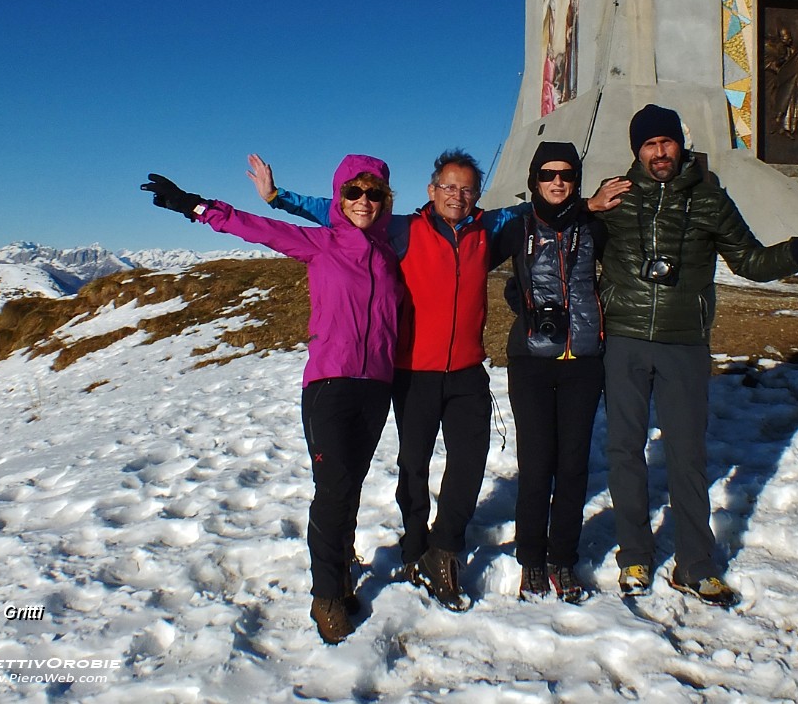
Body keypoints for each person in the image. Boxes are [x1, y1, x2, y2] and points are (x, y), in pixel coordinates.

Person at [141, 157, 403, 646]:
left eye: (374, 194)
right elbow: (254, 228)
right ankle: (326, 595)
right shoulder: (321, 243)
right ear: (339, 200)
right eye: (354, 193)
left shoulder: (391, 252)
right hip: (329, 384)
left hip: (377, 386)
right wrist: (193, 205)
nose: (364, 201)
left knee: (351, 486)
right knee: (333, 489)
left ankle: (341, 568)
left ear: (386, 200)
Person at [588, 105, 798, 607]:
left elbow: (749, 261)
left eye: (667, 142)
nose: (659, 153)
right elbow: (566, 236)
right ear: (636, 150)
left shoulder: (709, 199)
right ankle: (634, 555)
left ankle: (696, 563)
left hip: (684, 342)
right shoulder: (615, 195)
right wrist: (589, 207)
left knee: (687, 455)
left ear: (680, 144)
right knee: (624, 450)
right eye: (649, 145)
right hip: (625, 337)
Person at [249, 148, 522, 611]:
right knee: (413, 466)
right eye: (448, 187)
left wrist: (587, 204)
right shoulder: (404, 227)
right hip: (412, 369)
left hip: (467, 370)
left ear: (477, 194)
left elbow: (536, 208)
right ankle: (414, 547)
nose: (457, 195)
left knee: (470, 461)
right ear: (431, 190)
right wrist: (277, 197)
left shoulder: (486, 228)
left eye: (467, 188)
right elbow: (339, 206)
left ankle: (445, 548)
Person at [495, 141, 605, 605]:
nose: (557, 182)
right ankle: (531, 559)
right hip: (532, 362)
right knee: (537, 463)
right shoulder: (517, 226)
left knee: (574, 464)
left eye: (566, 174)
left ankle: (563, 556)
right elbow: (464, 243)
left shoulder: (594, 224)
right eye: (547, 174)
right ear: (533, 180)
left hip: (584, 358)